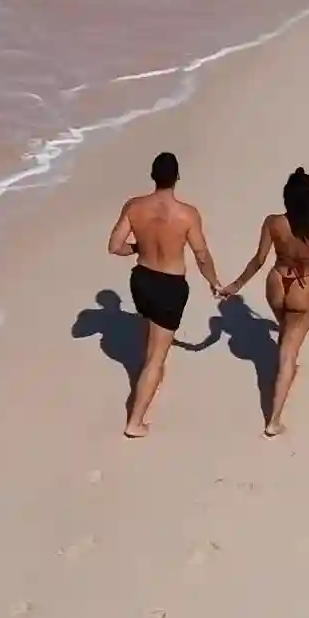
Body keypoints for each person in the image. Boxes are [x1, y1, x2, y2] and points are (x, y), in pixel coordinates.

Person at [103, 149, 222, 439]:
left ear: (153, 176)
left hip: (141, 280)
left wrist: (138, 248)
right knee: (157, 357)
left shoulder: (134, 207)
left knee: (151, 332)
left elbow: (115, 246)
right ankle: (135, 421)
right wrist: (214, 282)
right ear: (177, 177)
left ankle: (146, 376)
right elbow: (201, 255)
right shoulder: (187, 214)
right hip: (170, 284)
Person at [218, 166, 309, 437]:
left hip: (277, 282)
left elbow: (259, 260)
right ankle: (273, 419)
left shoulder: (274, 222)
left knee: (286, 330)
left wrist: (235, 285)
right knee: (289, 350)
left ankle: (284, 369)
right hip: (305, 285)